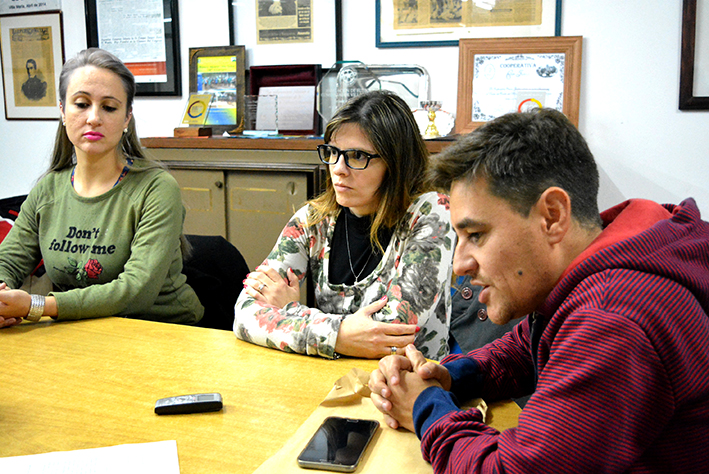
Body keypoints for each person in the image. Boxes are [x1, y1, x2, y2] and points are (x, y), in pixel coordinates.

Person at [369, 108, 709, 472]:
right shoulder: (615, 261)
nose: (460, 264)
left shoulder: (614, 318)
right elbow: (524, 345)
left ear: (552, 216)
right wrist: (453, 375)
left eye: (477, 235)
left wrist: (425, 407)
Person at [234, 90, 455, 360]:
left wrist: (290, 310)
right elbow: (244, 313)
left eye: (357, 156)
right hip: (328, 380)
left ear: (397, 163)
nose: (338, 168)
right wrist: (340, 336)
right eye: (333, 152)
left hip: (409, 388)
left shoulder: (432, 212)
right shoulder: (313, 220)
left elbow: (391, 332)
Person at [0, 48, 204, 328]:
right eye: (81, 104)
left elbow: (136, 291)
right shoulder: (48, 189)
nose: (94, 118)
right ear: (62, 110)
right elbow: (8, 260)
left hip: (159, 330)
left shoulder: (156, 189)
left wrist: (37, 305)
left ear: (126, 119)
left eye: (109, 107)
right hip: (77, 330)